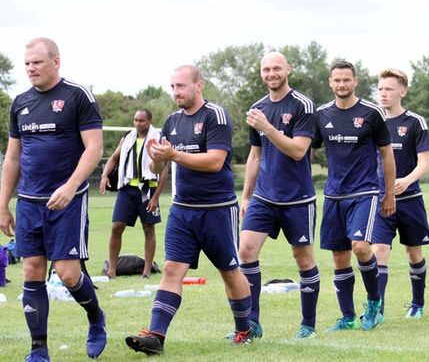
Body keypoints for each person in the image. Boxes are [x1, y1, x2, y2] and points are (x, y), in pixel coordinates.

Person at [125, 65, 253, 355]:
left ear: (199, 86)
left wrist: (174, 154)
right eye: (172, 87)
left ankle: (244, 328)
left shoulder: (215, 116)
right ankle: (156, 336)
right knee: (171, 269)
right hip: (182, 210)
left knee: (230, 271)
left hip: (217, 209)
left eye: (181, 86)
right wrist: (156, 158)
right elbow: (159, 168)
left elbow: (215, 161)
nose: (175, 92)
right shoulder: (171, 122)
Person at [0, 37, 107, 361]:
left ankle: (96, 319)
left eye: (37, 62)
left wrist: (71, 186)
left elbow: (94, 149)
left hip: (68, 201)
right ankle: (39, 351)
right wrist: (3, 204)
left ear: (56, 61)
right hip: (30, 202)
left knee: (68, 274)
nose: (31, 68)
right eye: (27, 63)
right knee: (32, 269)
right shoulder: (20, 103)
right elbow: (13, 158)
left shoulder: (78, 96)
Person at [237, 52, 320, 339]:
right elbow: (255, 156)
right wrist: (246, 196)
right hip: (264, 197)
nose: (271, 74)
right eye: (266, 69)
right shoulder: (257, 108)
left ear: (288, 69)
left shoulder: (302, 105)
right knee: (245, 251)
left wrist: (268, 128)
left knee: (303, 258)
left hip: (297, 199)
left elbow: (298, 151)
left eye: (276, 68)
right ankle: (252, 323)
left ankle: (308, 324)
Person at [312, 61, 396, 331]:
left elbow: (386, 154)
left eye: (346, 80)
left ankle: (373, 302)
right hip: (334, 194)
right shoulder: (322, 114)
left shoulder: (372, 113)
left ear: (355, 81)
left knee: (360, 246)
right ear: (330, 82)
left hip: (365, 191)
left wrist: (389, 193)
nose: (341, 85)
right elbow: (307, 149)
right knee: (339, 257)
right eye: (337, 80)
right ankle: (347, 317)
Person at [371, 68, 429, 320]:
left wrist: (406, 180)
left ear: (402, 91)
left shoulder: (414, 122)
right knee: (379, 252)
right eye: (381, 89)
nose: (383, 93)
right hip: (381, 200)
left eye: (389, 89)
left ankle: (417, 303)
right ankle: (377, 310)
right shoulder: (372, 121)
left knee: (414, 253)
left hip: (409, 200)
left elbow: (424, 161)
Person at [99, 109, 169, 279]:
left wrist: (155, 197)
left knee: (148, 228)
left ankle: (146, 271)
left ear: (150, 121)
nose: (138, 123)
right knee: (116, 227)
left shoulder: (158, 139)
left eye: (142, 121)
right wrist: (104, 176)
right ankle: (112, 270)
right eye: (136, 120)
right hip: (127, 189)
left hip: (147, 189)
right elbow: (114, 158)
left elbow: (164, 170)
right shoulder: (127, 138)